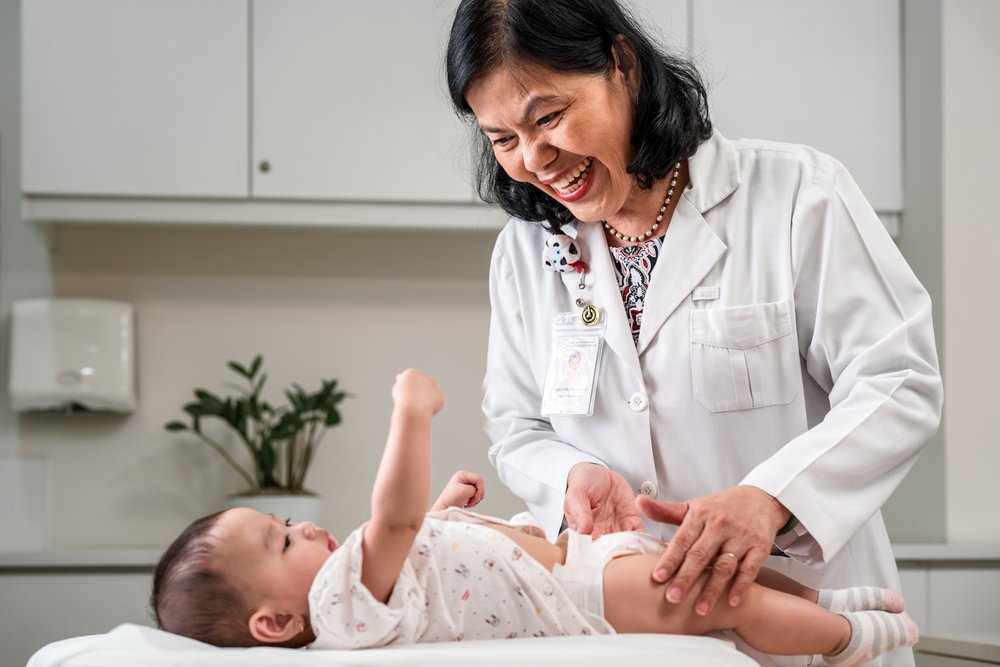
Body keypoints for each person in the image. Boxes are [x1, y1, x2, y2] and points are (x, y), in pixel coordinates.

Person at [445, 2, 943, 665]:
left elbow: (898, 380)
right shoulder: (525, 252)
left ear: (621, 65)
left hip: (806, 623)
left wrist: (771, 499)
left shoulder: (796, 195)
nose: (535, 158)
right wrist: (573, 474)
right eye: (502, 138)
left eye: (548, 117)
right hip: (636, 640)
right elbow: (517, 426)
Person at [152, 369, 917, 665]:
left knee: (718, 562)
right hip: (583, 597)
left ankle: (828, 600)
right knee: (729, 598)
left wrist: (444, 508)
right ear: (276, 624)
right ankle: (850, 639)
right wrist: (410, 413)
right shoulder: (338, 607)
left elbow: (416, 545)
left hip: (579, 557)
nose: (308, 529)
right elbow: (391, 523)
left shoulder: (366, 592)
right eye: (282, 539)